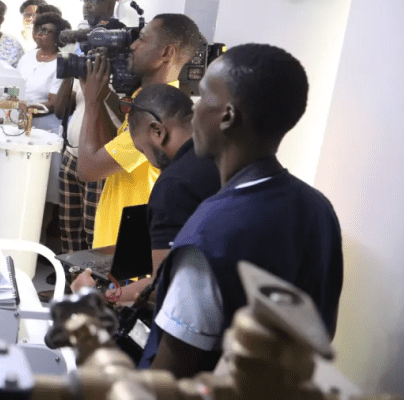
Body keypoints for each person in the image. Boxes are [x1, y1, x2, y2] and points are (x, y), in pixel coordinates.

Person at [142, 44, 343, 377]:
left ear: (227, 116)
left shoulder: (210, 232)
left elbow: (169, 377)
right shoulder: (318, 209)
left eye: (203, 96)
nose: (192, 112)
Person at [71, 84, 220, 304]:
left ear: (158, 132)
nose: (149, 160)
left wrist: (96, 297)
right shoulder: (221, 154)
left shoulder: (173, 185)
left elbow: (163, 284)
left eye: (143, 150)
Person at [77, 14, 203, 249]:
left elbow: (88, 171)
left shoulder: (161, 113)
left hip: (130, 251)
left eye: (143, 40)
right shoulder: (147, 101)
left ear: (167, 53)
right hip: (116, 240)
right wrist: (101, 97)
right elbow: (109, 151)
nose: (133, 45)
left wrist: (92, 102)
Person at [53, 0, 126, 252]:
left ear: (111, 5)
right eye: (85, 0)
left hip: (100, 155)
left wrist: (103, 89)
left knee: (93, 232)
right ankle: (73, 287)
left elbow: (123, 113)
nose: (87, 5)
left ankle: (95, 290)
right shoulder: (84, 50)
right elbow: (62, 109)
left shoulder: (122, 60)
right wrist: (74, 67)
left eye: (94, 0)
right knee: (69, 228)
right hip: (73, 153)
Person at [17, 11, 65, 134]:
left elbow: (54, 103)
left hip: (45, 123)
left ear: (57, 35)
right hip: (19, 117)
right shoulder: (27, 56)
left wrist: (27, 108)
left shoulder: (62, 62)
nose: (38, 33)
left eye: (44, 30)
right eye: (36, 29)